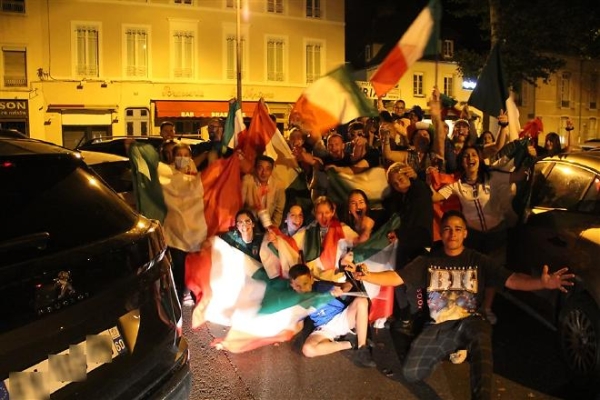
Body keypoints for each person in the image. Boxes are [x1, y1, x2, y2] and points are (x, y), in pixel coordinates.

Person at [343, 210, 574, 400]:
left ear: (464, 234)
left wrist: (542, 283)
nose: (452, 233)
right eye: (447, 229)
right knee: (411, 373)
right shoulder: (428, 261)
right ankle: (452, 346)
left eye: (457, 229)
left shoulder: (478, 260)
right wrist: (366, 276)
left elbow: (512, 280)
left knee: (481, 340)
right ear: (441, 234)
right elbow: (396, 277)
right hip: (439, 325)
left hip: (471, 320)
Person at [431, 144, 526, 324]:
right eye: (466, 156)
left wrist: (528, 157)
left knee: (492, 271)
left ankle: (487, 308)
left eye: (474, 155)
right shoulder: (457, 186)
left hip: (496, 232)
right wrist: (429, 177)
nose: (470, 158)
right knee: (473, 272)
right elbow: (435, 198)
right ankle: (470, 307)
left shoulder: (494, 177)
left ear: (479, 159)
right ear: (462, 163)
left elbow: (519, 176)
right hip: (474, 235)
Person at [288, 263, 376, 368]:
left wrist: (341, 290)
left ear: (311, 279)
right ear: (292, 285)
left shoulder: (322, 287)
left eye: (305, 283)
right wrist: (287, 331)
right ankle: (351, 343)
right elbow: (299, 325)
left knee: (361, 301)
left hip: (342, 318)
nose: (303, 289)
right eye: (298, 286)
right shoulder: (296, 302)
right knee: (308, 350)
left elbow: (347, 285)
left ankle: (362, 348)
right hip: (324, 327)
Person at [381, 162, 433, 331]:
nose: (399, 184)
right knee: (398, 280)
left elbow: (423, 193)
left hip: (419, 243)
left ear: (408, 175)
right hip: (404, 244)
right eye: (394, 183)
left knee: (413, 284)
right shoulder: (398, 198)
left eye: (401, 179)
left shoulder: (419, 191)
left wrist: (417, 178)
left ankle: (416, 317)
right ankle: (405, 315)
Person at [241, 155, 286, 229]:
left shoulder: (278, 185)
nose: (264, 172)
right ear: (255, 169)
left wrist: (273, 229)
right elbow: (240, 205)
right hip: (249, 222)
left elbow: (279, 211)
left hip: (268, 224)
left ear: (271, 171)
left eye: (268, 169)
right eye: (260, 168)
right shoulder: (247, 181)